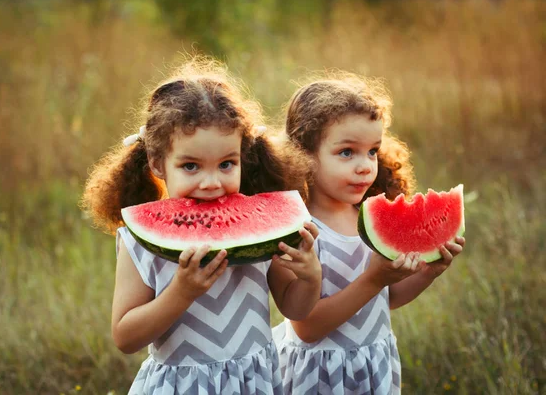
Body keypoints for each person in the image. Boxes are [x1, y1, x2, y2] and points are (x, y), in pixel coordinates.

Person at [81, 57, 322, 395]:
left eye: (226, 164)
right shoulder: (138, 241)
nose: (211, 183)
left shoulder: (267, 237)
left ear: (243, 156)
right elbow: (125, 337)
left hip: (253, 383)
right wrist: (181, 292)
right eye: (191, 166)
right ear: (157, 163)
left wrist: (310, 276)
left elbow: (294, 307)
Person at [274, 72, 465, 395]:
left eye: (373, 151)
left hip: (372, 365)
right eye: (347, 152)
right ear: (303, 155)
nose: (365, 166)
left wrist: (427, 273)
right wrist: (373, 279)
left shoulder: (366, 218)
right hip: (319, 376)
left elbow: (386, 299)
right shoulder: (298, 231)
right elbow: (307, 327)